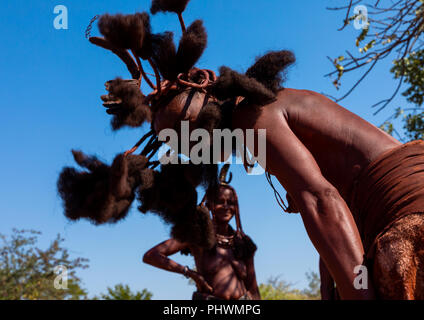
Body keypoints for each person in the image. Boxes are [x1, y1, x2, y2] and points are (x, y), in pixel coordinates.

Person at [77, 0, 424, 299]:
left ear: (205, 93)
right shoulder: (260, 120)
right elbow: (335, 226)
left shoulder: (250, 114)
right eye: (179, 143)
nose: (192, 143)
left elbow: (320, 200)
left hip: (407, 202)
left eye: (189, 129)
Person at [143, 167, 260, 300]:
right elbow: (151, 255)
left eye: (231, 203)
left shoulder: (242, 242)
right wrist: (189, 273)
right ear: (210, 205)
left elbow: (253, 288)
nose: (226, 207)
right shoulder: (199, 235)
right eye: (220, 202)